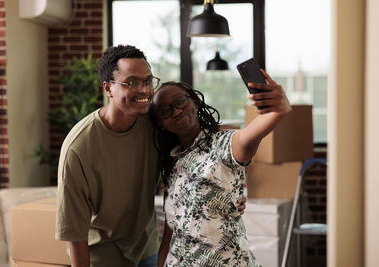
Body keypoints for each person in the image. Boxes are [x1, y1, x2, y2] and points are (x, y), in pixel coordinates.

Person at [151, 71, 292, 266]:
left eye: (180, 102)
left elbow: (249, 137)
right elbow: (171, 233)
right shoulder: (173, 162)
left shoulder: (223, 144)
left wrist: (279, 108)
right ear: (161, 124)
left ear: (194, 101)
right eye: (165, 111)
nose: (176, 111)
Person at [55, 45, 161, 267]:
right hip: (102, 255)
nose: (144, 90)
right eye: (132, 82)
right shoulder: (79, 147)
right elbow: (74, 230)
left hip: (147, 249)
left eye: (148, 81)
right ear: (108, 88)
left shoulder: (157, 124)